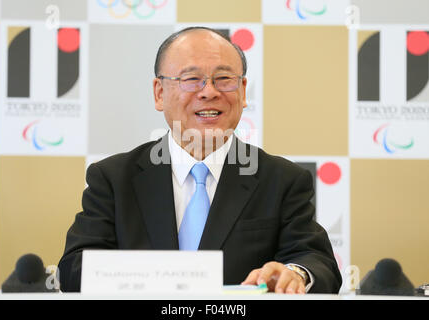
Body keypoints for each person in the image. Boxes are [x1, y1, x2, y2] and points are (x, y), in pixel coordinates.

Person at [58, 26, 342, 294]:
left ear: (243, 92)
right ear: (159, 93)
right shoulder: (113, 178)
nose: (209, 91)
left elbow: (316, 260)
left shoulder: (282, 180)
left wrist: (295, 274)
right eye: (191, 79)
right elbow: (75, 269)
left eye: (224, 79)